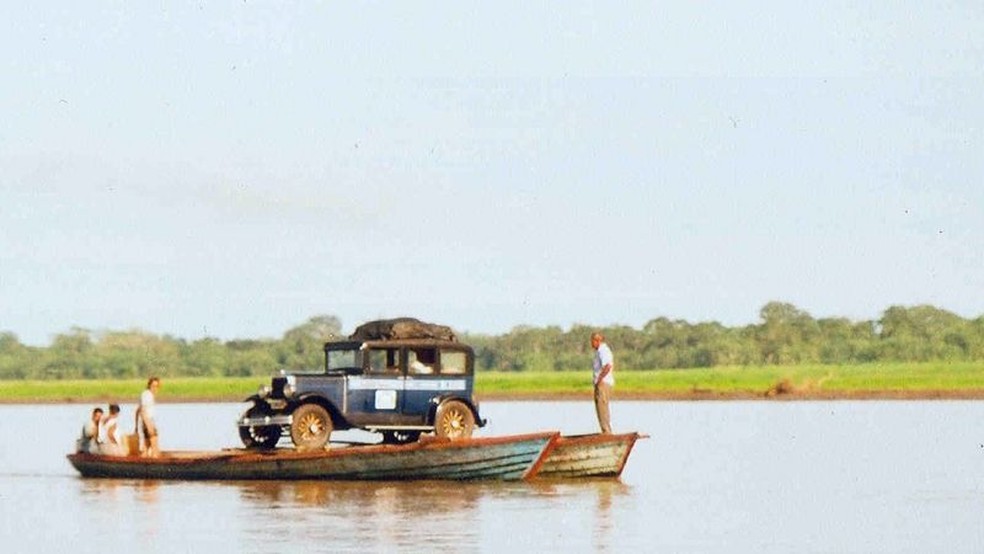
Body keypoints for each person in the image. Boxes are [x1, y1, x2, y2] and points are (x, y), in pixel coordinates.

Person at [590, 332, 614, 434]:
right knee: (600, 407)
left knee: (602, 407)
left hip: (603, 384)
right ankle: (605, 431)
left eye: (592, 341)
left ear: (597, 341)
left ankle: (607, 432)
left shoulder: (603, 350)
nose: (591, 344)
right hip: (601, 384)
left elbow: (607, 366)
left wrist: (599, 380)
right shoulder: (599, 351)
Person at [135, 376, 161, 457]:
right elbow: (142, 410)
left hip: (146, 423)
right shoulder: (147, 395)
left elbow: (137, 410)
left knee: (146, 447)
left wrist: (136, 425)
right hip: (147, 423)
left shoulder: (147, 394)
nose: (155, 388)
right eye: (153, 386)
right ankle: (155, 464)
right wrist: (148, 425)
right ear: (149, 385)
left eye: (157, 386)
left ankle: (143, 465)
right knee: (155, 447)